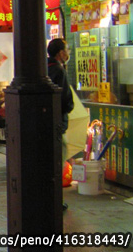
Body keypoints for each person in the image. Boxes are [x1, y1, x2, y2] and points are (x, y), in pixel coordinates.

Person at [47, 38, 74, 210]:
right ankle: (55, 199)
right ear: (60, 53)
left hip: (48, 122)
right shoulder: (59, 71)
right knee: (58, 161)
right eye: (67, 49)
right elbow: (65, 100)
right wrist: (70, 108)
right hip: (57, 122)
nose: (68, 53)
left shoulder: (44, 68)